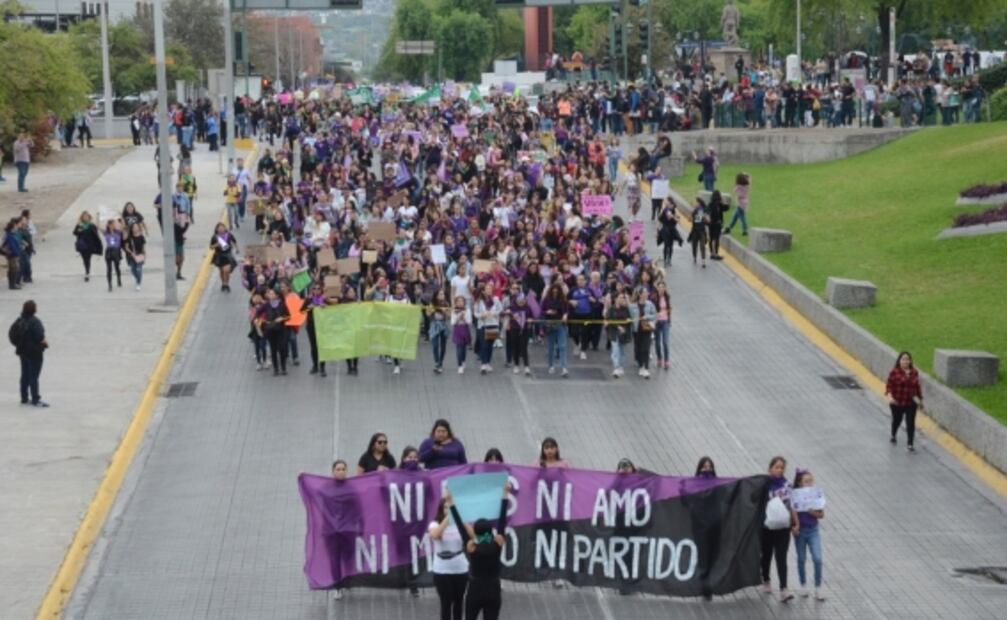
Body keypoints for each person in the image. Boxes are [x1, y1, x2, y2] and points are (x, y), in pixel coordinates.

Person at [445, 481, 510, 620]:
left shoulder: (472, 547)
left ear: (475, 532)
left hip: (475, 589)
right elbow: (502, 520)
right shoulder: (497, 543)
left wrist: (450, 502)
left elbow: (460, 526)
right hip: (493, 589)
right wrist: (505, 493)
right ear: (490, 532)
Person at [761, 456, 799, 603]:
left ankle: (784, 589)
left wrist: (796, 524)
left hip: (783, 528)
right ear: (770, 469)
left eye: (782, 467)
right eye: (776, 467)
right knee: (766, 555)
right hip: (767, 527)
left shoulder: (788, 486)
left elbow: (793, 505)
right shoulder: (764, 485)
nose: (779, 470)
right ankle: (766, 579)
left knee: (781, 557)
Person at [429, 497, 469, 620]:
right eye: (446, 508)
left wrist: (461, 519)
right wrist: (448, 518)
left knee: (459, 601)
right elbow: (435, 535)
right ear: (441, 509)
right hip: (442, 570)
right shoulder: (435, 524)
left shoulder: (460, 524)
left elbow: (472, 537)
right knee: (446, 601)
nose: (449, 510)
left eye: (451, 508)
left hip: (460, 568)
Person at [793, 468, 826, 601]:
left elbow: (822, 514)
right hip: (800, 532)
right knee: (801, 558)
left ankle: (818, 587)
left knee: (817, 558)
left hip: (813, 530)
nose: (809, 484)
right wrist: (795, 526)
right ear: (800, 483)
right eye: (806, 481)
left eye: (811, 481)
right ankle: (803, 585)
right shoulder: (795, 495)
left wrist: (814, 513)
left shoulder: (815, 495)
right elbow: (792, 512)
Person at [12, 300, 49, 407]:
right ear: (34, 309)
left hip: (22, 352)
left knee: (25, 375)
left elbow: (12, 334)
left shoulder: (19, 320)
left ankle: (24, 398)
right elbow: (40, 336)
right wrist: (44, 343)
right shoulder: (35, 322)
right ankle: (35, 399)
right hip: (34, 352)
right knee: (34, 377)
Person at [885, 351, 923, 452]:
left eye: (907, 359)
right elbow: (889, 386)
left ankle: (910, 444)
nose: (905, 361)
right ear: (899, 361)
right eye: (903, 359)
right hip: (897, 402)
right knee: (897, 420)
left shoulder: (914, 372)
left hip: (911, 402)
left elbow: (917, 387)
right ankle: (893, 434)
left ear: (910, 361)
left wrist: (920, 400)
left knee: (910, 422)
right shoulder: (894, 372)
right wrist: (890, 397)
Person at [302, 284, 331, 377]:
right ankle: (315, 366)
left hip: (322, 326)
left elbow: (334, 309)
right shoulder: (308, 299)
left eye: (318, 288)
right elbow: (301, 310)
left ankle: (323, 368)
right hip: (311, 325)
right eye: (314, 288)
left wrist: (326, 306)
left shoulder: (325, 299)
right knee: (313, 347)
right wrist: (308, 307)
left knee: (321, 347)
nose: (316, 290)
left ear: (321, 290)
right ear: (312, 290)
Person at [259, 288, 290, 376]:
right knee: (273, 350)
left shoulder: (282, 304)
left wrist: (282, 318)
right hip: (270, 330)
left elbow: (289, 316)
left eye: (272, 294)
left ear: (277, 295)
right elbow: (258, 312)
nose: (270, 295)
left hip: (281, 330)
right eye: (269, 293)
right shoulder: (266, 305)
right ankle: (276, 369)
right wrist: (259, 319)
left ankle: (283, 368)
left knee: (281, 349)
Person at [541, 283, 569, 377]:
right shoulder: (546, 299)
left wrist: (565, 315)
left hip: (560, 324)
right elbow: (541, 311)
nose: (555, 292)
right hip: (550, 324)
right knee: (550, 347)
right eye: (553, 290)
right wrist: (547, 312)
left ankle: (564, 368)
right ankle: (551, 366)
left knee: (562, 346)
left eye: (557, 290)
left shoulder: (563, 300)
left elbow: (566, 310)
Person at [474, 283, 502, 374]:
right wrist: (481, 315)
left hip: (493, 324)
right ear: (483, 291)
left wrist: (494, 313)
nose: (489, 290)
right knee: (484, 345)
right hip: (483, 325)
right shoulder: (479, 301)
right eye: (487, 289)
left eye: (490, 289)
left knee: (490, 345)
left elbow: (500, 309)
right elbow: (475, 313)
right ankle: (483, 364)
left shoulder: (495, 300)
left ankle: (488, 362)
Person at [629, 289, 656, 379]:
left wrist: (647, 316)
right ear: (640, 295)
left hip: (647, 329)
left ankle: (646, 368)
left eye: (647, 293)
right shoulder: (632, 306)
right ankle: (641, 366)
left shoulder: (650, 304)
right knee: (638, 348)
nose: (646, 294)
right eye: (644, 293)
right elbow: (630, 317)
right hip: (637, 330)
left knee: (646, 348)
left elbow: (654, 315)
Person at [605, 291, 632, 378]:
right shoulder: (611, 309)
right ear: (616, 299)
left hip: (623, 333)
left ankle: (620, 366)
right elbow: (608, 320)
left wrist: (628, 321)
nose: (622, 299)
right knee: (615, 350)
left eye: (623, 298)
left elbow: (629, 319)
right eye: (620, 297)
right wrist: (618, 326)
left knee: (622, 351)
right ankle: (616, 367)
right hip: (614, 332)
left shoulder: (625, 309)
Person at [73, 211, 103, 282]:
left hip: (90, 246)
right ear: (82, 218)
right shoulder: (80, 225)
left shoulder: (91, 225)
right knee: (84, 259)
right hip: (82, 246)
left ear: (89, 217)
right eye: (84, 216)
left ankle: (87, 273)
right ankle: (87, 270)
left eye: (87, 216)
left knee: (87, 259)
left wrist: (98, 244)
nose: (85, 218)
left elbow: (96, 234)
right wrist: (79, 229)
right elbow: (74, 233)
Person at [209, 223, 239, 292]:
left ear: (225, 228)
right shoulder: (215, 237)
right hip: (219, 255)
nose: (221, 229)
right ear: (217, 229)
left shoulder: (228, 235)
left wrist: (237, 248)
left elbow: (234, 241)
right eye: (219, 228)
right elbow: (211, 247)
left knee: (227, 270)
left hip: (227, 255)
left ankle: (227, 283)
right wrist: (216, 245)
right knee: (221, 271)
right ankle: (223, 283)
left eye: (222, 227)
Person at [427, 290, 449, 374]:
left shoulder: (446, 304)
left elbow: (449, 316)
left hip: (443, 325)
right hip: (434, 324)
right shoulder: (432, 304)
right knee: (435, 345)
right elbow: (428, 315)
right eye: (440, 294)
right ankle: (437, 362)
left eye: (443, 294)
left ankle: (440, 363)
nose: (442, 295)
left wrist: (445, 311)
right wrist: (431, 311)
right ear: (436, 295)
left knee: (443, 346)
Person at [450, 296, 473, 374]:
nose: (460, 303)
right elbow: (452, 322)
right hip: (457, 329)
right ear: (456, 303)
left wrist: (464, 318)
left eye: (462, 301)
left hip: (465, 329)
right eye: (458, 301)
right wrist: (458, 318)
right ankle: (459, 365)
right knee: (459, 348)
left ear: (464, 302)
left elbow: (469, 322)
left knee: (464, 348)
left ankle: (463, 361)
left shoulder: (467, 310)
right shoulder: (454, 311)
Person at [653, 281, 672, 370]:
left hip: (665, 322)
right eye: (659, 287)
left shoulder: (667, 297)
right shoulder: (654, 297)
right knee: (657, 343)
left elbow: (669, 309)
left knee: (665, 342)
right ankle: (659, 358)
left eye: (662, 287)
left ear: (665, 288)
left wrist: (669, 319)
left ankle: (666, 360)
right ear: (657, 288)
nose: (661, 289)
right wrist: (655, 315)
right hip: (657, 322)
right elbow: (652, 309)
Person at [123, 222, 146, 291]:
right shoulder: (129, 237)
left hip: (140, 255)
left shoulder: (141, 237)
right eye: (134, 227)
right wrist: (131, 252)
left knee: (139, 269)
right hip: (131, 256)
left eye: (136, 227)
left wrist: (144, 255)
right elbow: (126, 247)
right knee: (133, 270)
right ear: (132, 229)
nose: (135, 228)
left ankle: (138, 283)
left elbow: (143, 247)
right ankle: (137, 278)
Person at [102, 220, 124, 292]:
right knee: (109, 269)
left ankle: (119, 279)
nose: (112, 226)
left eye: (113, 224)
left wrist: (121, 219)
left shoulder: (118, 232)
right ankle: (110, 285)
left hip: (116, 251)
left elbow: (123, 227)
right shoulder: (106, 232)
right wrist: (98, 216)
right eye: (111, 224)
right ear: (108, 225)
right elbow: (98, 227)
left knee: (117, 267)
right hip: (109, 251)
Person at [688, 199, 709, 268]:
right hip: (695, 230)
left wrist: (705, 217)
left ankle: (703, 261)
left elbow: (701, 220)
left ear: (699, 203)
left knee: (702, 246)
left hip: (701, 231)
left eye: (696, 202)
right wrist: (691, 214)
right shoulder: (695, 211)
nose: (694, 203)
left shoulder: (702, 210)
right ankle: (694, 257)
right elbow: (689, 220)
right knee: (694, 245)